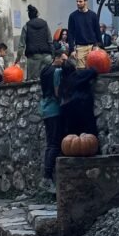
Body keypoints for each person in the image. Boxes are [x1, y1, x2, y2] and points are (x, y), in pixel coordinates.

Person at [39, 45, 68, 193]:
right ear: (57, 58)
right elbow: (57, 92)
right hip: (54, 108)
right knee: (54, 144)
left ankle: (48, 176)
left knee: (50, 142)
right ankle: (47, 177)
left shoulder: (45, 69)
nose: (65, 63)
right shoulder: (57, 71)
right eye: (63, 60)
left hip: (45, 107)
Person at [60, 61, 98, 136]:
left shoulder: (64, 81)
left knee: (74, 133)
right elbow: (94, 71)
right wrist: (88, 66)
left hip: (69, 109)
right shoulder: (79, 74)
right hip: (83, 105)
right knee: (89, 131)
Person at [16, 4, 53, 80]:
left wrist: (18, 59)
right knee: (47, 80)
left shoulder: (26, 26)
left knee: (33, 83)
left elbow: (21, 45)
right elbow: (50, 41)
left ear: (29, 16)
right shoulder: (45, 24)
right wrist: (53, 56)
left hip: (33, 58)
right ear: (37, 15)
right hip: (47, 57)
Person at [67, 0, 101, 68]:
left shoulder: (93, 15)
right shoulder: (73, 16)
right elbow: (70, 34)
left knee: (93, 70)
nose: (78, 3)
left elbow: (97, 31)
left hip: (92, 47)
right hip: (80, 47)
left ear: (85, 2)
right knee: (81, 71)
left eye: (80, 1)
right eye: (77, 1)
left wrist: (97, 45)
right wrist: (72, 49)